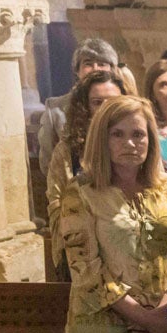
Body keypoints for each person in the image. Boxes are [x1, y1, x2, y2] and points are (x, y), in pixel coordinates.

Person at [61, 96, 167, 333]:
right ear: (102, 139)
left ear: (151, 139)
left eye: (138, 134)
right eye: (117, 135)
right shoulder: (81, 192)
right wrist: (143, 317)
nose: (130, 143)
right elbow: (85, 269)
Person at [46, 69, 126, 280]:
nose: (106, 108)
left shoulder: (137, 146)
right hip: (85, 254)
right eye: (97, 102)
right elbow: (56, 203)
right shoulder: (68, 151)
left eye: (113, 101)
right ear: (86, 107)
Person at [37, 38, 118, 175]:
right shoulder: (55, 109)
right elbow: (48, 162)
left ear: (112, 69)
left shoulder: (123, 104)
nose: (95, 69)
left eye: (102, 64)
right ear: (77, 70)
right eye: (88, 64)